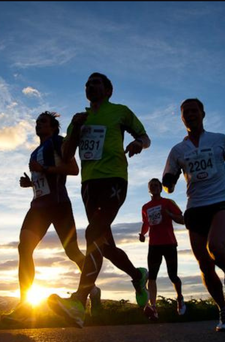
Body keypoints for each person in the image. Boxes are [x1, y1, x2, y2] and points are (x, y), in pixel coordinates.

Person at [47, 72, 151, 328]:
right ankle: (138, 276)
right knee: (103, 245)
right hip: (88, 185)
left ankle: (79, 301)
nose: (89, 86)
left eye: (95, 83)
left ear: (108, 90)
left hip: (114, 180)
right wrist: (75, 130)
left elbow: (145, 138)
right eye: (87, 84)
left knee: (92, 233)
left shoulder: (120, 111)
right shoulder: (79, 119)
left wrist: (138, 143)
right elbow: (67, 153)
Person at [4, 111, 100, 323]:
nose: (39, 125)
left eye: (43, 122)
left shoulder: (58, 141)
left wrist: (44, 169)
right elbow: (43, 176)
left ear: (54, 127)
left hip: (59, 205)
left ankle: (92, 289)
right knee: (24, 248)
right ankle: (24, 306)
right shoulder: (34, 152)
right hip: (38, 207)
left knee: (72, 251)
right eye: (37, 122)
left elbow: (73, 170)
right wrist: (30, 183)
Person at [162, 98, 225, 332]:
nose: (190, 114)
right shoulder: (178, 150)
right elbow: (169, 183)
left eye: (194, 111)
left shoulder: (219, 140)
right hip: (195, 207)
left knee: (215, 248)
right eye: (185, 112)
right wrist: (169, 182)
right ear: (181, 118)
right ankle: (224, 310)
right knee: (205, 266)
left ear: (202, 113)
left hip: (220, 201)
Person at [139, 178, 186, 321]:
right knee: (152, 277)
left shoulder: (168, 203)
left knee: (173, 276)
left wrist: (170, 214)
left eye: (156, 185)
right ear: (149, 189)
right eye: (151, 185)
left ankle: (179, 298)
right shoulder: (145, 207)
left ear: (160, 188)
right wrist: (142, 234)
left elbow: (182, 219)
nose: (153, 187)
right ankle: (153, 307)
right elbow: (146, 223)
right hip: (154, 245)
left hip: (169, 243)